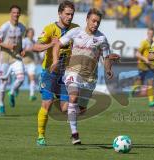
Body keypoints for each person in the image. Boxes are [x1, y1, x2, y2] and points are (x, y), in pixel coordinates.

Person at [51, 8, 115, 145]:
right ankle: (74, 134)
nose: (95, 24)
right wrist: (55, 61)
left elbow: (106, 57)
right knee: (73, 96)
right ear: (87, 19)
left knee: (81, 110)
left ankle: (70, 112)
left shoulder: (102, 39)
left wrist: (108, 69)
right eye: (93, 21)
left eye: (98, 22)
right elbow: (57, 45)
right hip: (72, 72)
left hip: (90, 78)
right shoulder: (76, 32)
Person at [33, 0, 79, 146]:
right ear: (60, 13)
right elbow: (36, 46)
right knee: (47, 103)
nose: (70, 17)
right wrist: (51, 44)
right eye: (67, 14)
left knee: (66, 107)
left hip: (65, 74)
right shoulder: (50, 29)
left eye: (72, 14)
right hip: (49, 73)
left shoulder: (76, 29)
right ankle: (41, 136)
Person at [0, 5, 26, 115]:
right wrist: (7, 46)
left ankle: (12, 92)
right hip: (5, 59)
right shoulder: (4, 27)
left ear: (19, 14)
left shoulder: (22, 27)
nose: (16, 14)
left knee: (21, 78)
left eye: (17, 13)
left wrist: (22, 50)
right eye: (14, 12)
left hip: (16, 57)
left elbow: (20, 42)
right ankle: (1, 106)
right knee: (3, 84)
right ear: (10, 14)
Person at [132, 27, 154, 110]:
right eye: (149, 33)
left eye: (152, 34)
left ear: (153, 34)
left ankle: (151, 102)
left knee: (150, 83)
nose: (150, 35)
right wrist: (145, 59)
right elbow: (137, 54)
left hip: (151, 67)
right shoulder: (144, 43)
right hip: (142, 66)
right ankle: (133, 89)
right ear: (147, 34)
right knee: (139, 82)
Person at [21, 28, 38, 101]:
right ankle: (13, 91)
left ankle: (32, 95)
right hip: (23, 62)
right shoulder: (24, 41)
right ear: (27, 33)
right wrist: (30, 49)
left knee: (32, 79)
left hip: (31, 62)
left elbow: (36, 51)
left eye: (33, 33)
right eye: (31, 33)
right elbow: (22, 51)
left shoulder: (34, 41)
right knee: (20, 79)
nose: (32, 34)